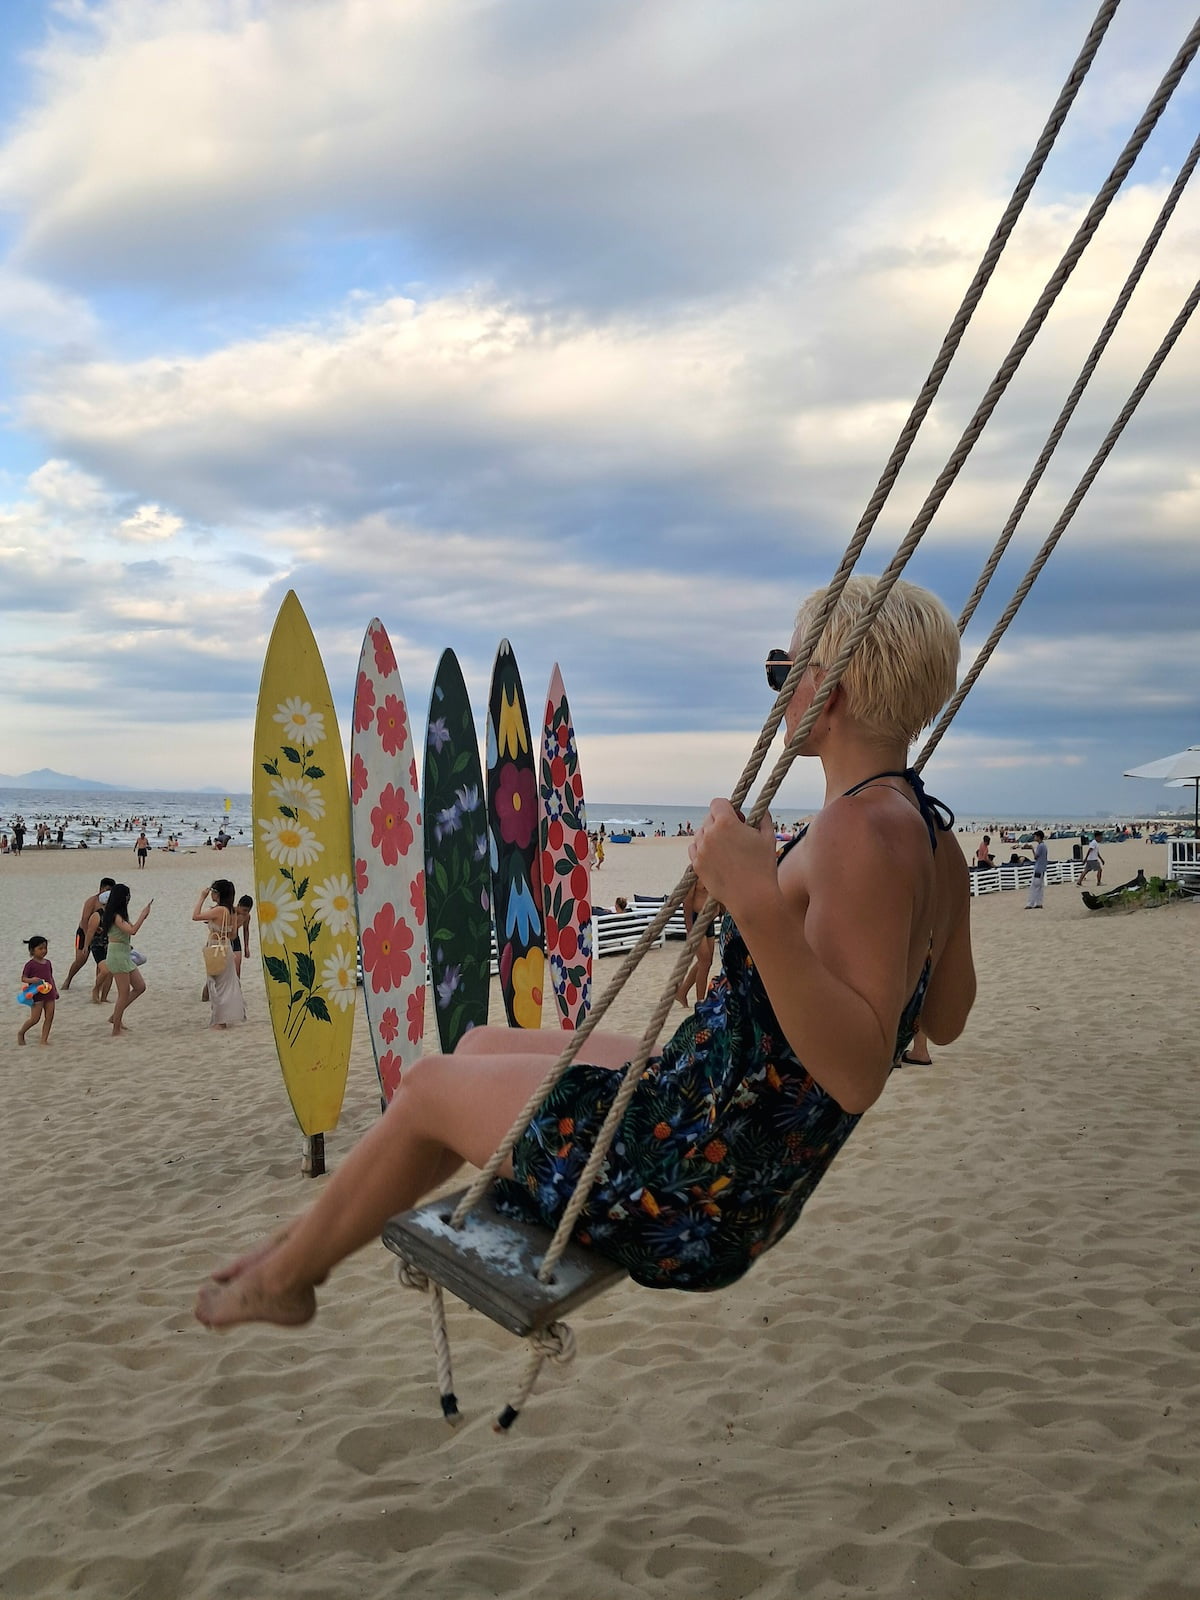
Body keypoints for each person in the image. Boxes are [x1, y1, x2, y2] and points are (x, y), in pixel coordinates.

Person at [195, 574, 975, 1329]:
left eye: (782, 668)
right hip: (718, 1111)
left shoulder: (855, 830)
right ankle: (310, 1237)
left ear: (828, 687)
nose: (778, 688)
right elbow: (943, 1017)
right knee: (478, 1043)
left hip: (702, 1184)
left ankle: (285, 1279)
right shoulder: (933, 839)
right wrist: (758, 901)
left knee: (430, 1084)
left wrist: (757, 902)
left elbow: (860, 1069)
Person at [193, 880, 246, 1028]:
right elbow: (233, 934)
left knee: (215, 985)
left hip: (215, 947)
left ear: (219, 894)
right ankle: (222, 1019)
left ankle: (219, 1021)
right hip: (227, 947)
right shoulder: (232, 911)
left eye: (213, 891)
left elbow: (195, 916)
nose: (211, 894)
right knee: (225, 985)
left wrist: (202, 897)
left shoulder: (219, 910)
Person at [101, 884, 152, 1036]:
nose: (128, 899)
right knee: (123, 993)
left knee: (140, 987)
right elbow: (133, 930)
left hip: (123, 953)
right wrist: (143, 915)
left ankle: (115, 1017)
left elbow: (128, 930)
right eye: (127, 896)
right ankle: (116, 1028)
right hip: (117, 955)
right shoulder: (115, 915)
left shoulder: (120, 914)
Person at [675, 876, 722, 1007]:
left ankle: (682, 991)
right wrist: (689, 928)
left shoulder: (714, 871)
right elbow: (687, 901)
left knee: (707, 962)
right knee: (704, 961)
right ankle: (700, 1002)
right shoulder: (696, 873)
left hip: (709, 919)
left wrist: (721, 912)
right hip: (696, 919)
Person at [63, 877, 116, 990]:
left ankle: (98, 986)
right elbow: (84, 921)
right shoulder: (92, 901)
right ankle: (68, 979)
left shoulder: (111, 903)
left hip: (101, 935)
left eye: (111, 890)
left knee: (101, 962)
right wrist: (89, 937)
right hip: (83, 932)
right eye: (106, 889)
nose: (108, 892)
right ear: (101, 888)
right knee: (81, 959)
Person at [17, 936, 58, 1046]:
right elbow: (23, 978)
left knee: (50, 1016)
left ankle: (44, 1040)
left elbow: (50, 977)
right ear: (32, 950)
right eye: (40, 948)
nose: (44, 951)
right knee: (35, 1019)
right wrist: (32, 980)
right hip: (36, 994)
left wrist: (55, 990)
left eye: (45, 948)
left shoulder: (48, 963)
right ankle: (21, 1033)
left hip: (49, 993)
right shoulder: (30, 965)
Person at [1024, 830, 1048, 909]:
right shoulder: (1044, 846)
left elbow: (1036, 857)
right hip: (1043, 868)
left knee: (1034, 886)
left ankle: (1031, 903)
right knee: (1040, 887)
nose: (1034, 837)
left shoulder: (1040, 846)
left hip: (1038, 868)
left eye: (1035, 836)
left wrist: (1032, 849)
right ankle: (1039, 902)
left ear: (1038, 837)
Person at [233, 894, 254, 976]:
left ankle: (237, 986)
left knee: (237, 968)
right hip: (224, 939)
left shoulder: (247, 916)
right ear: (238, 905)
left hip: (235, 938)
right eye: (244, 910)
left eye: (248, 911)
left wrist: (246, 946)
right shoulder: (230, 912)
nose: (246, 913)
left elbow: (246, 930)